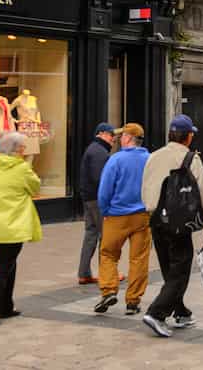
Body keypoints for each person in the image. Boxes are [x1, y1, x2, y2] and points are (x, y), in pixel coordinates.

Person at [140, 115, 203, 338]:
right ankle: (156, 313)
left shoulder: (153, 157)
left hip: (156, 220)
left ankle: (181, 312)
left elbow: (145, 188)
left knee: (169, 269)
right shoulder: (191, 158)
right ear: (188, 136)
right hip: (179, 222)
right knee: (180, 270)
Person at [0, 131, 42, 326]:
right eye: (22, 147)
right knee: (2, 268)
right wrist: (29, 164)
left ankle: (5, 307)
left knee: (7, 264)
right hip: (12, 228)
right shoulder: (22, 169)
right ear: (16, 150)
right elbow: (35, 187)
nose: (24, 150)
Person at [94, 123, 151, 316]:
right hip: (142, 215)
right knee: (139, 259)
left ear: (127, 138)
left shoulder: (115, 160)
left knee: (108, 254)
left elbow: (104, 190)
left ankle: (109, 290)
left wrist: (105, 210)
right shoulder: (149, 159)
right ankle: (133, 301)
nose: (119, 140)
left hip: (116, 215)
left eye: (121, 137)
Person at [78, 122, 116, 285]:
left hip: (89, 198)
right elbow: (101, 179)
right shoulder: (99, 152)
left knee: (91, 234)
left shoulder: (94, 149)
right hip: (97, 200)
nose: (113, 138)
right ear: (101, 134)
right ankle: (106, 274)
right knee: (106, 236)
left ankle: (84, 273)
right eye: (111, 135)